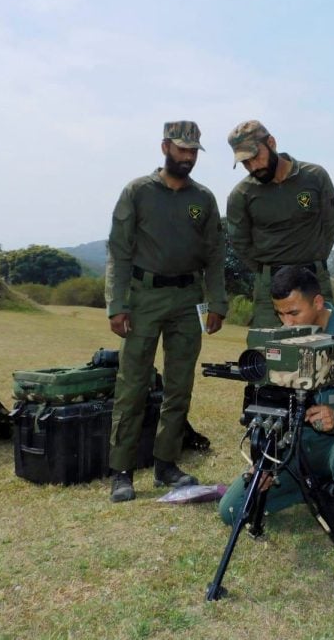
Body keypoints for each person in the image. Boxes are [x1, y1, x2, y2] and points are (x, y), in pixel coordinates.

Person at [218, 265, 334, 553]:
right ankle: (317, 487)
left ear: (318, 303)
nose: (286, 323)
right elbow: (269, 403)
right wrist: (266, 460)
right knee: (233, 510)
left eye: (293, 313)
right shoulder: (280, 339)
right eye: (280, 314)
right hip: (297, 443)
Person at [105, 120, 228, 503]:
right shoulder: (138, 192)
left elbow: (214, 256)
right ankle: (122, 471)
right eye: (181, 150)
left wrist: (217, 303)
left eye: (193, 151)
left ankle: (166, 464)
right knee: (133, 384)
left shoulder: (203, 199)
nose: (188, 157)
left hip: (188, 300)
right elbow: (119, 251)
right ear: (165, 148)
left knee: (179, 386)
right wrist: (117, 304)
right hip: (143, 298)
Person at [226, 120, 334, 327]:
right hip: (270, 287)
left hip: (313, 280)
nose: (253, 166)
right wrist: (269, 271)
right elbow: (240, 243)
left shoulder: (315, 177)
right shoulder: (241, 194)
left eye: (255, 157)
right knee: (267, 352)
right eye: (245, 163)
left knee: (324, 348)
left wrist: (312, 261)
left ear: (271, 143)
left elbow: (330, 226)